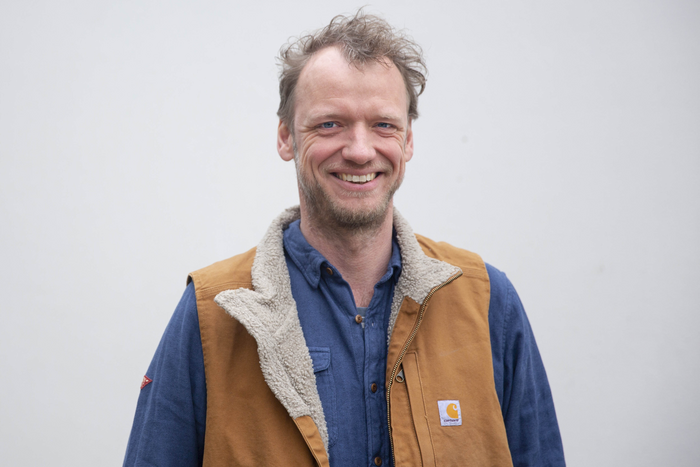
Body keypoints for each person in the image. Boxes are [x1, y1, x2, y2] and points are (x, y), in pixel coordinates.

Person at [123, 11, 565, 467]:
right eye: (330, 124)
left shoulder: (488, 303)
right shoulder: (212, 314)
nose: (359, 150)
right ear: (286, 137)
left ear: (408, 141)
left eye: (384, 125)